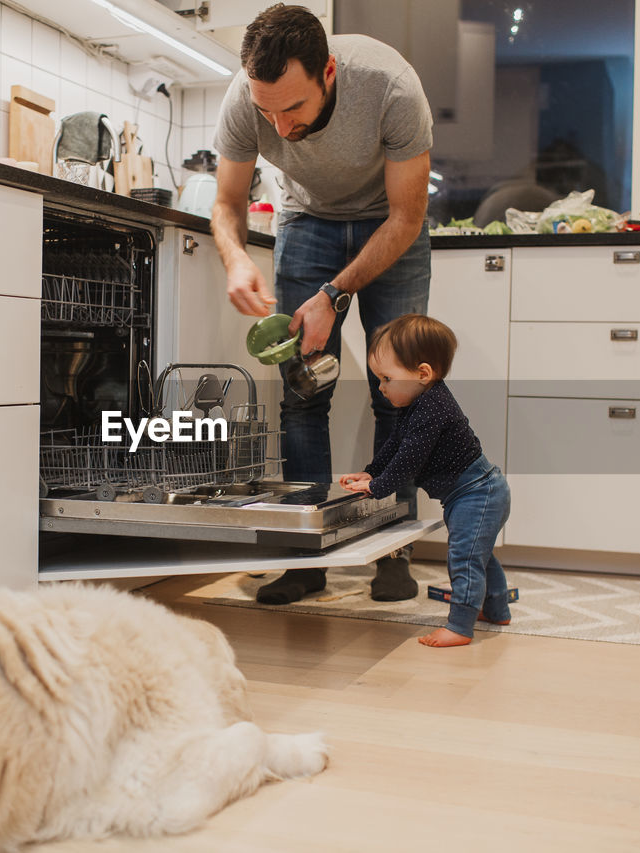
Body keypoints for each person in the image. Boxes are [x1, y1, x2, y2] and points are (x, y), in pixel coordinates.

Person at [210, 3, 434, 605]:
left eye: (294, 109)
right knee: (302, 391)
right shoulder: (244, 100)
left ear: (329, 72)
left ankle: (393, 547)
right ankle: (306, 557)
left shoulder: (391, 88)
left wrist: (334, 293)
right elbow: (228, 203)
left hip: (390, 227)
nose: (279, 128)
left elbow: (408, 215)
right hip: (306, 222)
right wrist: (235, 257)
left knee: (400, 391)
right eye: (266, 112)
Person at [339, 315, 512, 648]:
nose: (381, 387)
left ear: (423, 373)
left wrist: (376, 488)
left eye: (386, 378)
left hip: (478, 494)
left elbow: (408, 462)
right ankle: (496, 608)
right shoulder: (417, 405)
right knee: (480, 554)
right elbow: (395, 444)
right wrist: (371, 471)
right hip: (475, 493)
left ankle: (460, 626)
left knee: (465, 556)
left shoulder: (433, 409)